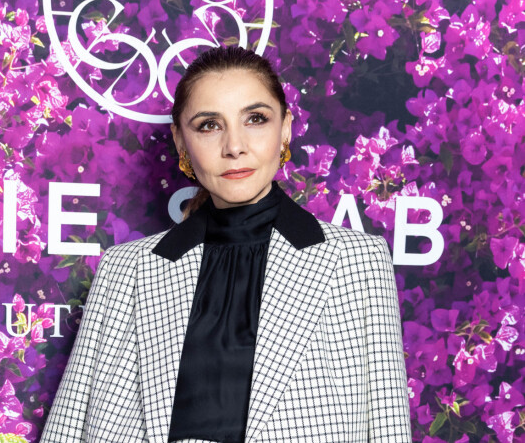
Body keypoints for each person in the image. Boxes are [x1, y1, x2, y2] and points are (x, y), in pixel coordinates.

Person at [40, 46, 411, 443]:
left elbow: (387, 425)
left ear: (285, 127)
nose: (234, 146)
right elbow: (70, 423)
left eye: (255, 119)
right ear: (181, 142)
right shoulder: (125, 268)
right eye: (208, 125)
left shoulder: (357, 262)